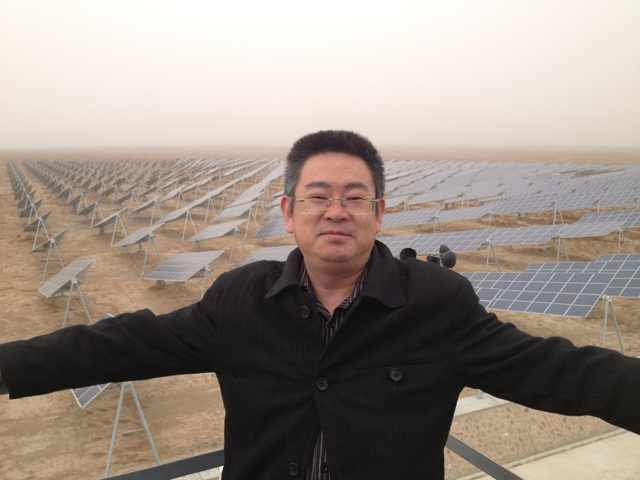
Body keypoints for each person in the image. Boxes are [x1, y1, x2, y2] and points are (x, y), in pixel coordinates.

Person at [1, 130, 639, 480]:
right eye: (318, 196)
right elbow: (124, 344)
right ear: (288, 212)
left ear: (379, 213)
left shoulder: (435, 304)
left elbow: (560, 370)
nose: (336, 211)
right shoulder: (242, 300)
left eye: (355, 197)